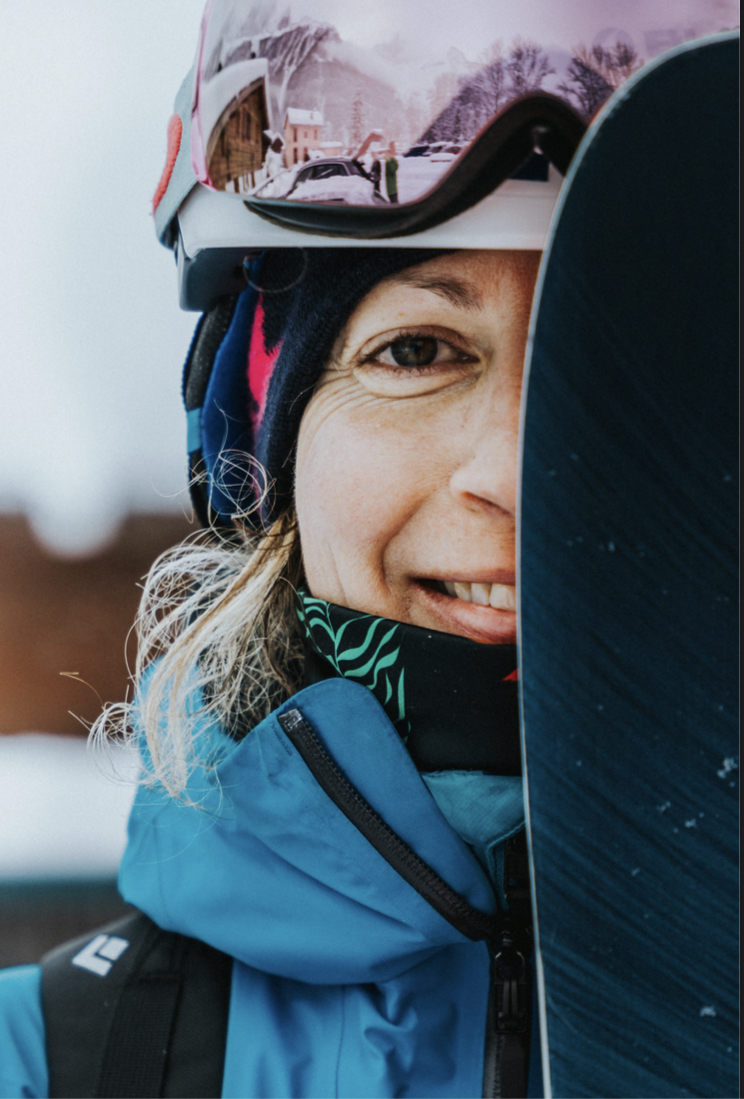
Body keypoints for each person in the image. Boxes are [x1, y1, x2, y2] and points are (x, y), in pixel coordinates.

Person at [0, 3, 734, 1097]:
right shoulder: (46, 1067)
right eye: (419, 351)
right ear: (265, 444)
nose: (517, 470)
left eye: (624, 373)